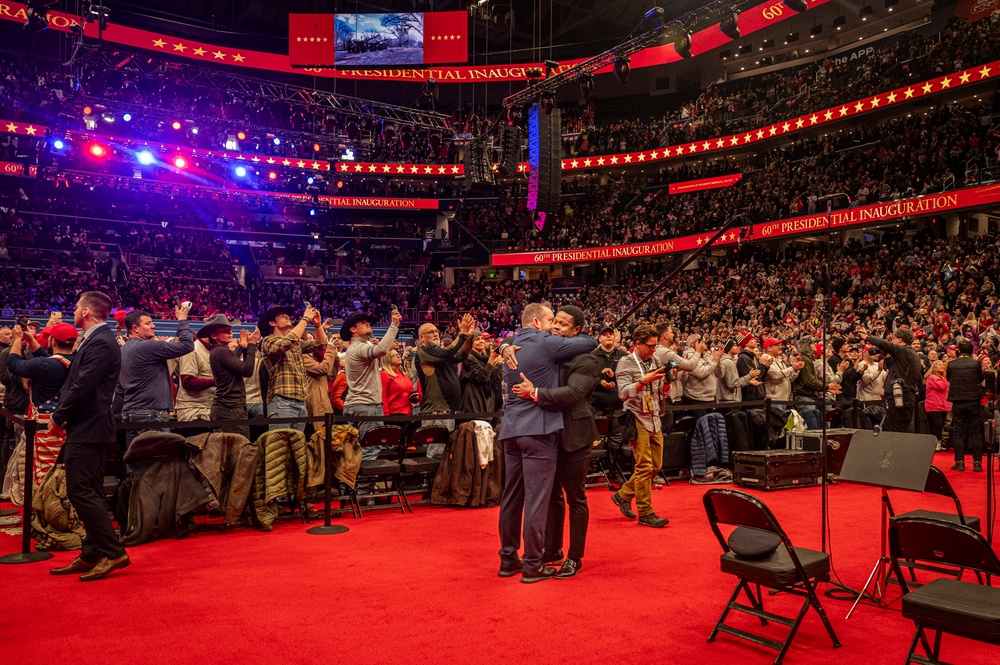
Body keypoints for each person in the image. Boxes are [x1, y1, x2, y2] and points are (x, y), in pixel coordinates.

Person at [497, 303, 597, 583]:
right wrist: (501, 346)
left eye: (562, 323)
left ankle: (511, 558)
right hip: (539, 431)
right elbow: (588, 341)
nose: (555, 326)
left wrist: (502, 346)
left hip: (522, 430)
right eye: (553, 320)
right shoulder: (542, 343)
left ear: (576, 330)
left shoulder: (519, 344)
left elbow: (576, 389)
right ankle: (531, 563)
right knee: (539, 500)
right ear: (539, 323)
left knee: (515, 497)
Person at [48, 291, 129, 581]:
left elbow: (83, 385)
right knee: (89, 490)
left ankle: (112, 551)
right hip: (89, 425)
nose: (74, 311)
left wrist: (59, 416)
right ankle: (93, 551)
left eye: (77, 307)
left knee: (80, 491)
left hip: (89, 426)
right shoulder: (98, 339)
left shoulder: (102, 341)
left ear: (86, 312)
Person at [612, 323, 671, 529]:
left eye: (655, 346)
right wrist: (643, 381)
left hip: (654, 415)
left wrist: (666, 385)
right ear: (638, 344)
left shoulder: (654, 360)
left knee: (656, 466)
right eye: (651, 346)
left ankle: (623, 494)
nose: (654, 349)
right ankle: (645, 512)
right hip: (636, 415)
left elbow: (660, 391)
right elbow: (623, 393)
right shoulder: (625, 363)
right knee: (644, 466)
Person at [117, 306, 194, 448]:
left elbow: (120, 387)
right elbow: (188, 345)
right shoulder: (148, 347)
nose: (153, 326)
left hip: (130, 411)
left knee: (135, 460)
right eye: (148, 323)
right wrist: (183, 320)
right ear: (135, 328)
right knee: (156, 460)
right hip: (151, 412)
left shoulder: (123, 349)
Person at [259, 304, 327, 432]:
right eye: (282, 316)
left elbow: (321, 344)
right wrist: (305, 319)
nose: (287, 317)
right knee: (279, 447)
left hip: (300, 402)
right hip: (282, 400)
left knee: (296, 447)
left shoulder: (296, 344)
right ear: (272, 323)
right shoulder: (268, 340)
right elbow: (284, 344)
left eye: (288, 316)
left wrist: (317, 325)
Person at [414, 316, 476, 454]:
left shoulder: (438, 355)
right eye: (431, 332)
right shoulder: (423, 352)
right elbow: (449, 351)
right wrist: (462, 334)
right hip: (436, 412)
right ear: (421, 337)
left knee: (446, 454)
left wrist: (468, 339)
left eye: (436, 331)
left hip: (447, 411)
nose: (436, 334)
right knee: (437, 454)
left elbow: (462, 356)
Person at [342, 309, 400, 449]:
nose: (368, 324)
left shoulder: (358, 347)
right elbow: (380, 350)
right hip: (366, 404)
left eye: (368, 322)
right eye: (363, 322)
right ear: (353, 329)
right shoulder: (358, 347)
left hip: (357, 403)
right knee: (371, 450)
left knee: (355, 451)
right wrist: (394, 325)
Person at [857, 326, 922, 432]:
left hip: (901, 396)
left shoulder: (903, 350)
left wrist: (867, 337)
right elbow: (896, 370)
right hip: (903, 395)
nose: (892, 341)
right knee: (897, 427)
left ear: (900, 339)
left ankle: (897, 448)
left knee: (897, 430)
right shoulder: (908, 354)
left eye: (894, 339)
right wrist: (887, 358)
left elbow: (885, 344)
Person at [207, 320, 259, 439]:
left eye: (230, 330)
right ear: (214, 335)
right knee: (237, 449)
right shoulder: (221, 351)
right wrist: (251, 345)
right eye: (225, 331)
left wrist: (242, 348)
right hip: (230, 407)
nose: (230, 333)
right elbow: (247, 371)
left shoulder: (218, 351)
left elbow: (233, 362)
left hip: (227, 407)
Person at [946, 337, 984, 471]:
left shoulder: (952, 364)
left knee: (958, 432)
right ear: (971, 350)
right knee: (976, 432)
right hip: (973, 400)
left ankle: (960, 462)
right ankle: (977, 463)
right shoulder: (976, 363)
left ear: (958, 350)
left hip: (958, 401)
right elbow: (980, 378)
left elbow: (948, 379)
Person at [592, 325, 627, 452]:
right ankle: (598, 469)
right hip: (597, 406)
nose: (608, 336)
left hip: (618, 406)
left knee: (617, 440)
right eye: (605, 334)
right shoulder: (592, 356)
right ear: (599, 338)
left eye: (610, 334)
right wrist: (600, 382)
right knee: (597, 441)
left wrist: (615, 378)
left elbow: (629, 378)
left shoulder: (623, 355)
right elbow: (587, 379)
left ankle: (614, 469)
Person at [458, 332, 504, 419]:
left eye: (482, 338)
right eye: (477, 339)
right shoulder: (468, 358)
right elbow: (482, 377)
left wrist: (500, 363)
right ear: (470, 343)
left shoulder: (486, 359)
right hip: (474, 408)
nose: (481, 341)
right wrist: (491, 361)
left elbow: (498, 380)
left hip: (488, 407)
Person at [381, 349, 418, 416]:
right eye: (395, 355)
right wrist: (386, 415)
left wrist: (414, 398)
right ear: (387, 359)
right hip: (393, 415)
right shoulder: (384, 375)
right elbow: (383, 397)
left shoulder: (404, 375)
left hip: (408, 414)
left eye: (399, 354)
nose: (399, 356)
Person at [924, 360, 951, 448]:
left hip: (942, 405)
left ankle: (937, 442)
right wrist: (950, 382)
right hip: (934, 405)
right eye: (940, 365)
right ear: (935, 367)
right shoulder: (932, 377)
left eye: (943, 365)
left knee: (940, 425)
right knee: (937, 424)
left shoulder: (943, 378)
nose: (942, 366)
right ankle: (936, 443)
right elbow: (941, 386)